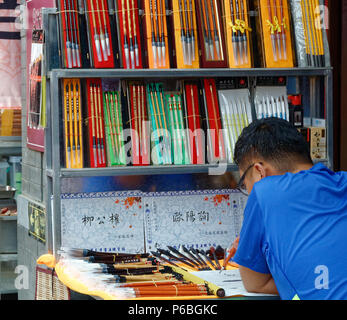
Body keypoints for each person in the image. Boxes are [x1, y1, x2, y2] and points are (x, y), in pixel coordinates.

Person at [228, 117, 347, 300]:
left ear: (259, 172)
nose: (248, 190)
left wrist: (251, 249)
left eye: (245, 183)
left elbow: (254, 283)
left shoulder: (264, 191)